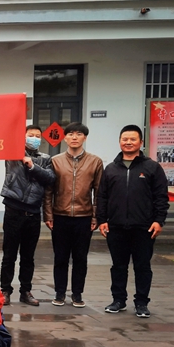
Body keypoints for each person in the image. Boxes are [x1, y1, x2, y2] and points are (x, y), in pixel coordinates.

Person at [97, 124, 169, 318]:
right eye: (125, 139)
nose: (128, 142)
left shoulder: (152, 167)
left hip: (144, 227)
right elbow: (102, 196)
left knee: (142, 266)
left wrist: (159, 220)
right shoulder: (111, 169)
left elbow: (161, 197)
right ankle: (118, 300)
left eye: (132, 139)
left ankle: (141, 303)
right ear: (120, 142)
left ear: (141, 142)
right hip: (116, 226)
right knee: (118, 266)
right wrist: (102, 220)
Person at [42, 122, 104, 308]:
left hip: (84, 217)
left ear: (85, 137)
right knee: (60, 257)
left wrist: (95, 217)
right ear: (65, 137)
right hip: (60, 216)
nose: (74, 137)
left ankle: (77, 294)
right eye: (70, 134)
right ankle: (60, 293)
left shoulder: (95, 162)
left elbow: (99, 192)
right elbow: (48, 191)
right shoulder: (55, 161)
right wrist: (48, 215)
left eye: (78, 134)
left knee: (80, 258)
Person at [0, 125, 55, 306]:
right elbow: (7, 139)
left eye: (38, 136)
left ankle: (25, 291)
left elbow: (50, 178)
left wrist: (32, 166)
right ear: (22, 137)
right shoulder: (13, 154)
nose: (34, 138)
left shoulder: (45, 159)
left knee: (28, 256)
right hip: (13, 210)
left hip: (33, 212)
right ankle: (5, 290)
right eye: (31, 135)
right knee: (9, 254)